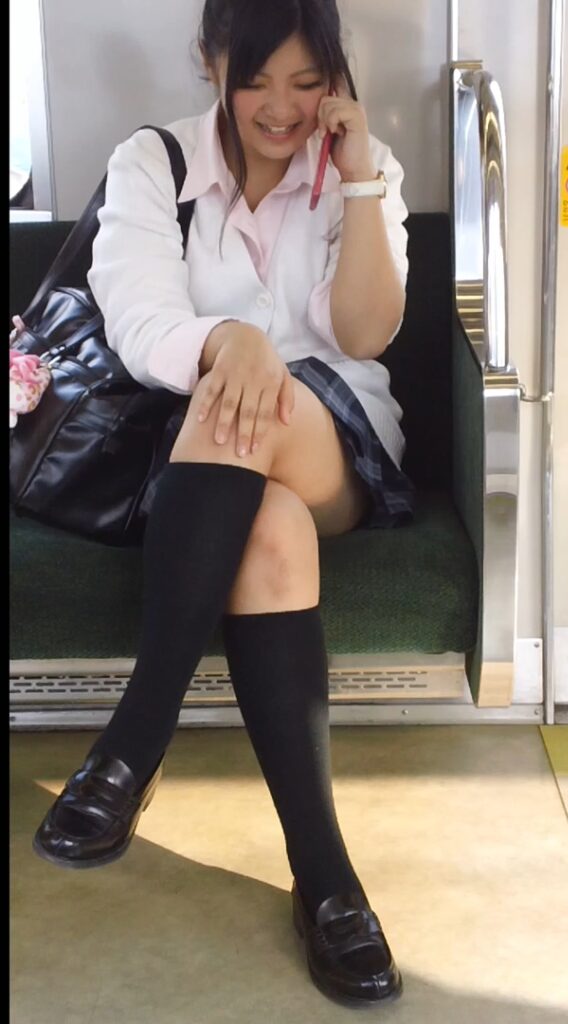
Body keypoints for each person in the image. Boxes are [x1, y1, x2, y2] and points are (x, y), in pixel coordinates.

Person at [33, 0, 414, 1008]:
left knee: (254, 413)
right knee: (268, 533)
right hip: (201, 450)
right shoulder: (151, 164)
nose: (282, 108)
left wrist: (359, 175)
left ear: (335, 77)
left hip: (334, 445)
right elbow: (137, 316)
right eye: (256, 81)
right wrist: (227, 341)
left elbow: (364, 335)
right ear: (211, 63)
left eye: (306, 82)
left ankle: (134, 739)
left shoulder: (360, 169)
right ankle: (326, 879)